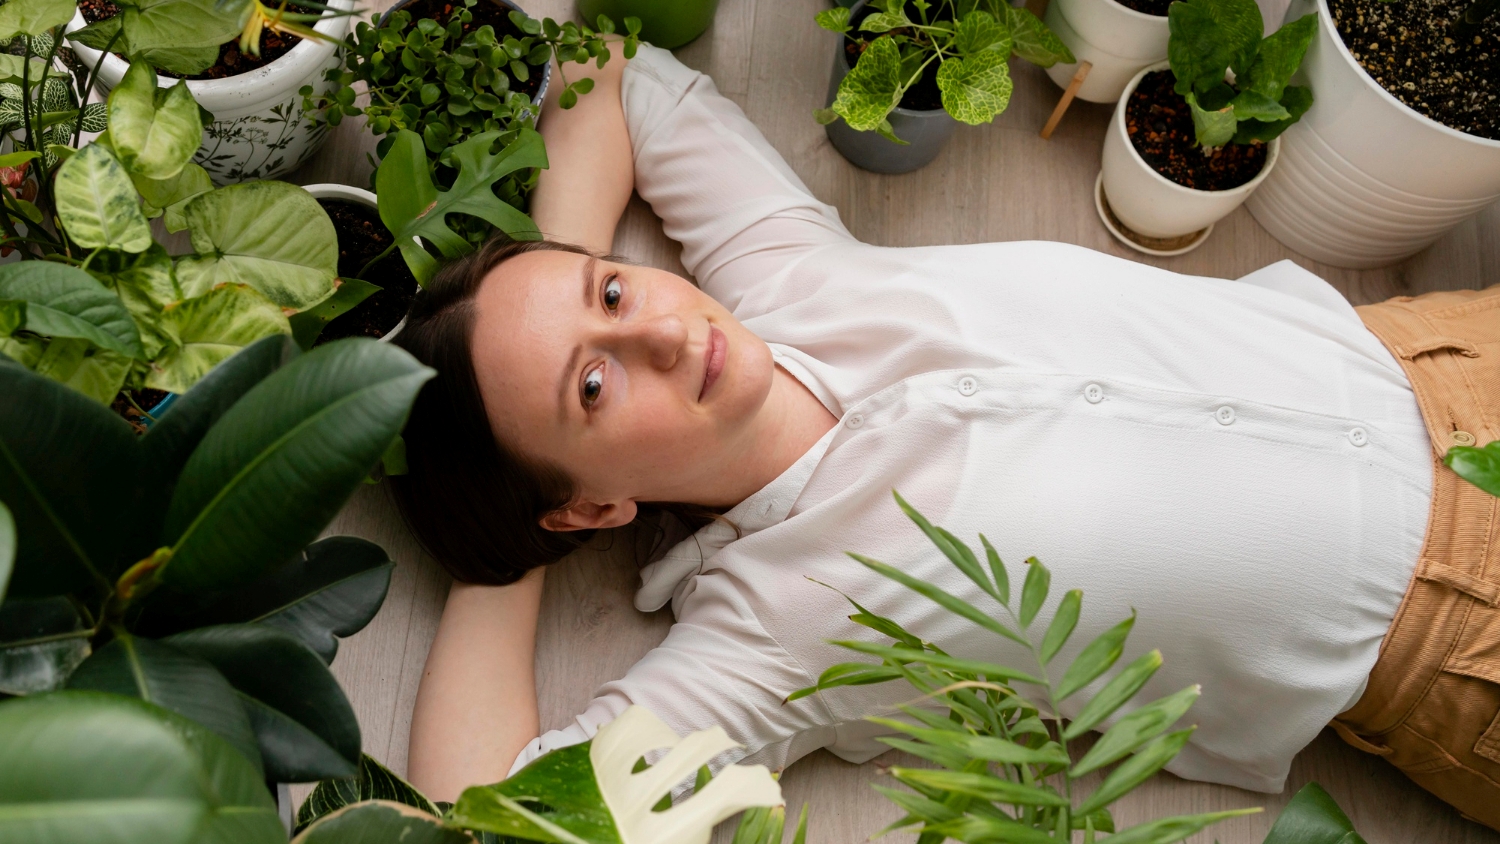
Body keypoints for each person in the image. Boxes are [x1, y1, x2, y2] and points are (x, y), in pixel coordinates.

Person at [392, 44, 1500, 828]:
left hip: (1442, 353)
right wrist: (511, 545)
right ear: (588, 506)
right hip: (1457, 646)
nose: (668, 335)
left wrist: (549, 282)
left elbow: (609, 73)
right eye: (593, 385)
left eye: (619, 294)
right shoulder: (773, 635)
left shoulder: (786, 275)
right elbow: (486, 823)